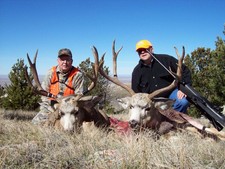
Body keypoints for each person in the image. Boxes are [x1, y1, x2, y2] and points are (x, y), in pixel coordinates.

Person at [132, 40, 191, 113]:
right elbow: (135, 91)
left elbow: (185, 70)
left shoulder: (166, 60)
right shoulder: (137, 71)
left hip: (171, 94)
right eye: (140, 51)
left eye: (145, 49)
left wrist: (184, 88)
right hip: (152, 100)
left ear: (151, 49)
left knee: (182, 102)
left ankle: (175, 121)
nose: (142, 52)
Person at [32, 48, 84, 124]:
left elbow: (79, 96)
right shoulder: (51, 73)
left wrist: (69, 107)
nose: (65, 62)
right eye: (62, 60)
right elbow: (43, 92)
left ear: (72, 61)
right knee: (36, 124)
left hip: (70, 107)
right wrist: (49, 107)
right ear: (58, 61)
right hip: (52, 106)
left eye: (67, 60)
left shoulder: (77, 75)